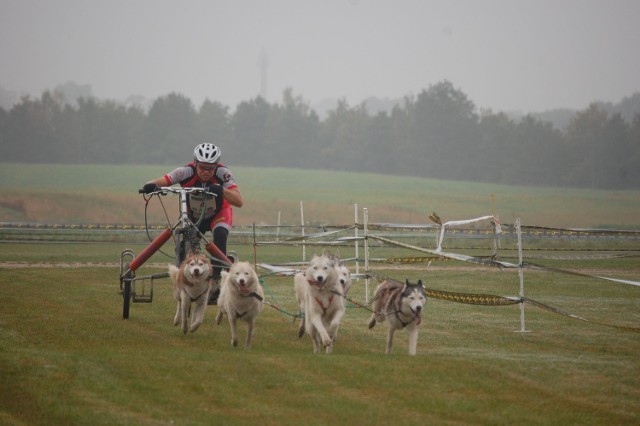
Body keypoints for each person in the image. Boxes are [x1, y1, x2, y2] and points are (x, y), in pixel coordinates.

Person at [142, 143, 243, 304]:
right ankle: (188, 275)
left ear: (216, 166)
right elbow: (164, 180)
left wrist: (222, 190)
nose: (206, 172)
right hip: (193, 216)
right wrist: (150, 186)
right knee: (186, 240)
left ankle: (216, 281)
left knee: (220, 234)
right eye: (202, 167)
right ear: (195, 163)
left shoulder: (224, 174)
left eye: (210, 168)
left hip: (218, 213)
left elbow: (239, 201)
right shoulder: (185, 172)